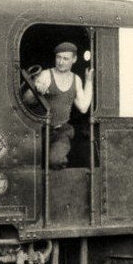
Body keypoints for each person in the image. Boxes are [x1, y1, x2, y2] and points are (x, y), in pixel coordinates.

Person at [23, 41, 93, 169]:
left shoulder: (76, 79)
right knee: (28, 163)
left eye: (65, 58)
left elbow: (83, 107)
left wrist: (88, 81)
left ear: (74, 59)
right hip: (39, 130)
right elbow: (26, 100)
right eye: (58, 57)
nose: (61, 62)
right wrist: (36, 90)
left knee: (55, 160)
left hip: (61, 132)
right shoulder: (45, 75)